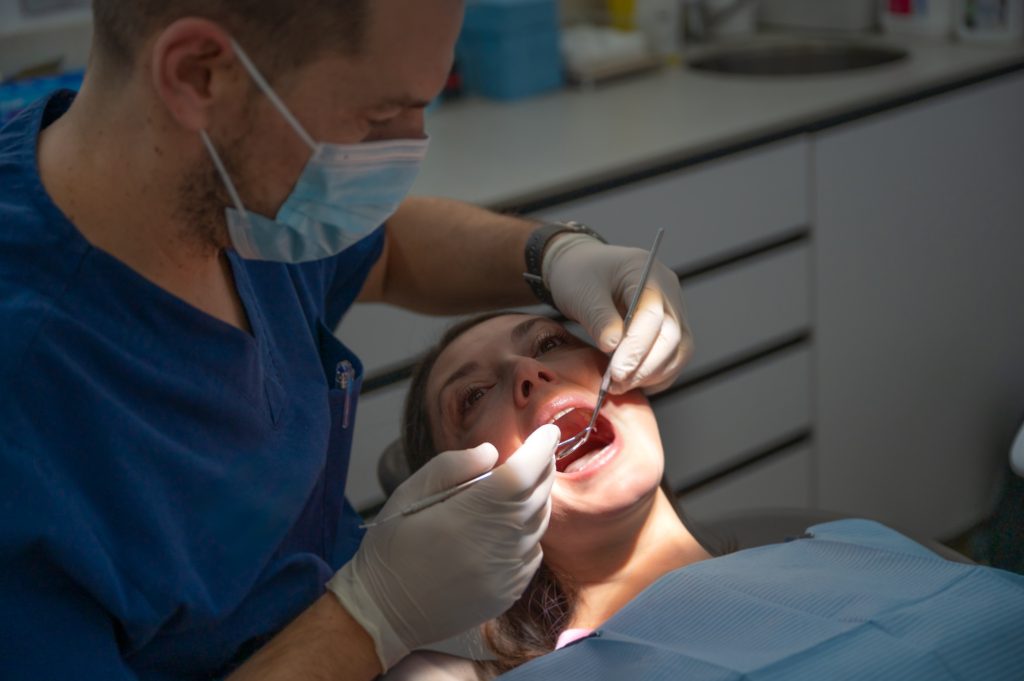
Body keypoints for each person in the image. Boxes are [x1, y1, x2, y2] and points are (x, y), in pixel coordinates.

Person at [0, 2, 693, 679]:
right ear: (199, 75)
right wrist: (372, 614)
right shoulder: (29, 409)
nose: (407, 153)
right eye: (376, 116)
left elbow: (385, 248)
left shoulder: (230, 192)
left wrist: (553, 257)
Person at [390, 311, 1024, 679]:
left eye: (551, 343)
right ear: (454, 494)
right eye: (472, 397)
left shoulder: (855, 548)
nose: (529, 373)